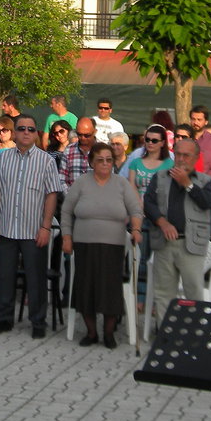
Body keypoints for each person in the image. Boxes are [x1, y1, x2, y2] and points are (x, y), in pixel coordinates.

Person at [0, 113, 63, 339]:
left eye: (31, 129)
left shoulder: (46, 160)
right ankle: (4, 319)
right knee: (4, 277)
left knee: (35, 278)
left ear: (36, 133)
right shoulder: (3, 159)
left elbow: (51, 194)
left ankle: (38, 322)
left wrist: (46, 227)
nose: (26, 133)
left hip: (33, 230)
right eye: (21, 129)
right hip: (6, 228)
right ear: (14, 133)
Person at [62, 142, 142, 347]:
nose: (105, 164)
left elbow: (135, 210)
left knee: (109, 290)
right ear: (91, 162)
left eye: (109, 160)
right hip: (84, 244)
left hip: (113, 247)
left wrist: (136, 229)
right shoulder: (81, 182)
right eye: (100, 160)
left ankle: (108, 333)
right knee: (86, 287)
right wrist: (67, 237)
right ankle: (91, 333)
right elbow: (66, 210)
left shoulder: (121, 184)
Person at [145, 137, 211, 312]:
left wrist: (188, 184)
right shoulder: (160, 177)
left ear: (196, 157)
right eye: (178, 154)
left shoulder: (206, 181)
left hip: (191, 244)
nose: (181, 159)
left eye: (186, 155)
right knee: (163, 293)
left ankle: (193, 328)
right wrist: (162, 222)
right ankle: (165, 328)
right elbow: (148, 203)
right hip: (164, 242)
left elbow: (208, 202)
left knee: (194, 293)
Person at [127, 125, 173, 200]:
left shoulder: (170, 164)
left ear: (162, 143)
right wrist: (139, 203)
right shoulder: (135, 163)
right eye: (147, 140)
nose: (150, 143)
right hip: (137, 203)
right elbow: (131, 186)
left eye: (154, 141)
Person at [60, 118, 96, 190]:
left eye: (87, 135)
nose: (83, 138)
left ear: (94, 132)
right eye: (79, 134)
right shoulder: (69, 151)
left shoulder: (103, 151)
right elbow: (61, 179)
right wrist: (71, 195)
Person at [189, 105, 211, 180]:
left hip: (206, 182)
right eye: (193, 119)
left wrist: (205, 180)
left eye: (199, 120)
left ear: (206, 122)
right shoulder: (184, 138)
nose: (195, 122)